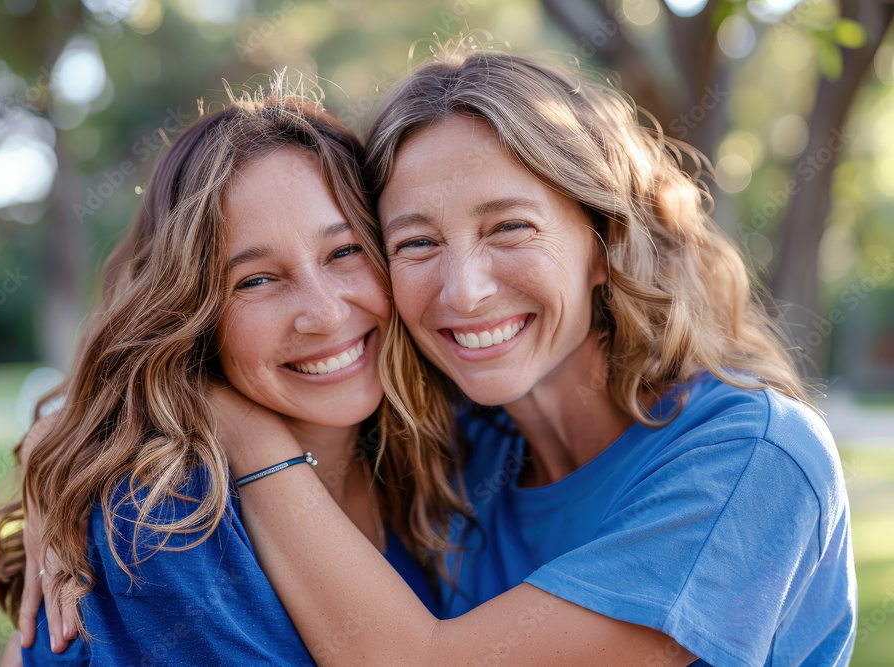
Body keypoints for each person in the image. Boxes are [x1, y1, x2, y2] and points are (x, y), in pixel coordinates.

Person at [207, 46, 857, 666]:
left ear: (605, 241)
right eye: (418, 242)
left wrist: (245, 432)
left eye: (509, 227)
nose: (464, 289)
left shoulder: (753, 455)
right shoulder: (462, 455)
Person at [0, 88, 466, 665]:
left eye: (343, 252)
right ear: (191, 313)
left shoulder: (427, 451)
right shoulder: (163, 518)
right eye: (256, 280)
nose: (327, 313)